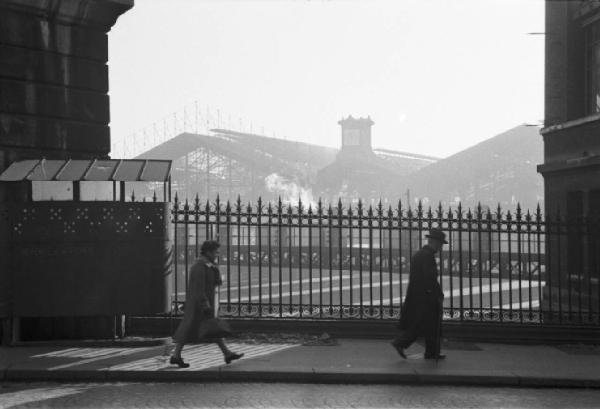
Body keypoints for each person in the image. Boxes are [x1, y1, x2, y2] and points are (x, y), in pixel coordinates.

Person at [170, 240, 243, 368]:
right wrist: (205, 305)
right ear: (208, 252)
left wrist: (216, 269)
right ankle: (176, 355)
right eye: (216, 252)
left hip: (203, 304)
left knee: (213, 329)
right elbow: (199, 288)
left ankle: (227, 353)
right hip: (199, 305)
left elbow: (216, 282)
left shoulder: (207, 265)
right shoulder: (199, 266)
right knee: (189, 330)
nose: (217, 255)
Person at [392, 228, 447, 360]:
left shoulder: (420, 254)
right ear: (434, 242)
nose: (440, 247)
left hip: (419, 295)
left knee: (425, 324)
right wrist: (437, 294)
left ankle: (429, 351)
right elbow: (430, 278)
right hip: (427, 296)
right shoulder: (427, 256)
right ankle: (403, 343)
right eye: (440, 244)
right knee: (429, 324)